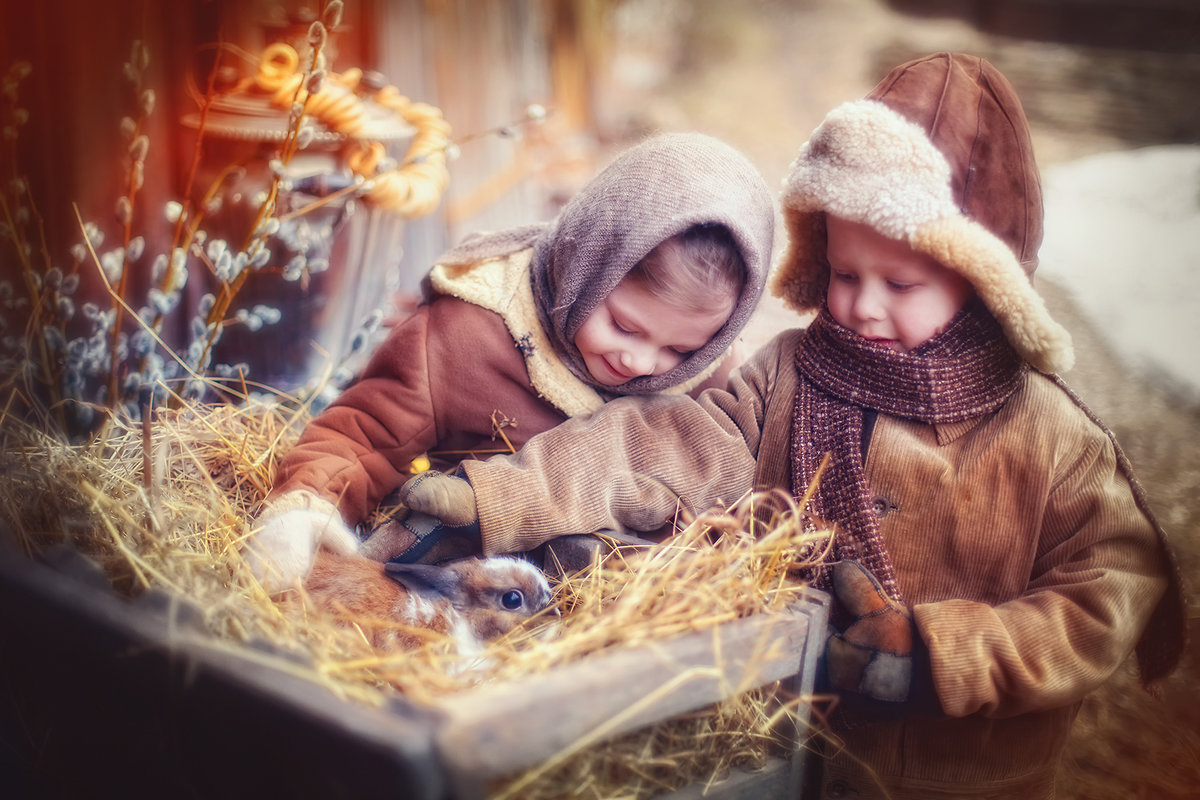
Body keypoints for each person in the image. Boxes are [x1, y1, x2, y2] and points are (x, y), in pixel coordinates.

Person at [397, 54, 1187, 799]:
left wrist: (944, 655)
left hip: (960, 778)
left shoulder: (1051, 438)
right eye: (845, 273)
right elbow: (660, 445)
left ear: (985, 283)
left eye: (900, 283)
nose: (861, 305)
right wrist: (501, 496)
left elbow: (1104, 593)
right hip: (790, 750)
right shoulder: (791, 375)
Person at [245, 132, 776, 592]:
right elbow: (363, 435)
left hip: (602, 610)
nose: (640, 362)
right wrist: (309, 506)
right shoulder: (464, 338)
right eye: (624, 325)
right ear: (586, 264)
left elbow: (719, 472)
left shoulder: (710, 376)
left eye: (680, 350)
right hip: (465, 588)